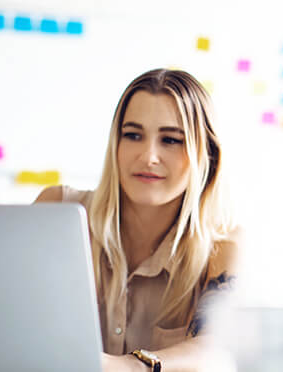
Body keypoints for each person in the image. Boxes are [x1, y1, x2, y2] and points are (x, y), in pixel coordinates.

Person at [36, 69, 239, 372]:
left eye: (170, 140)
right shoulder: (57, 211)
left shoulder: (224, 247)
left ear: (206, 155)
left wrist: (130, 367)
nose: (149, 156)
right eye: (133, 135)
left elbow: (218, 351)